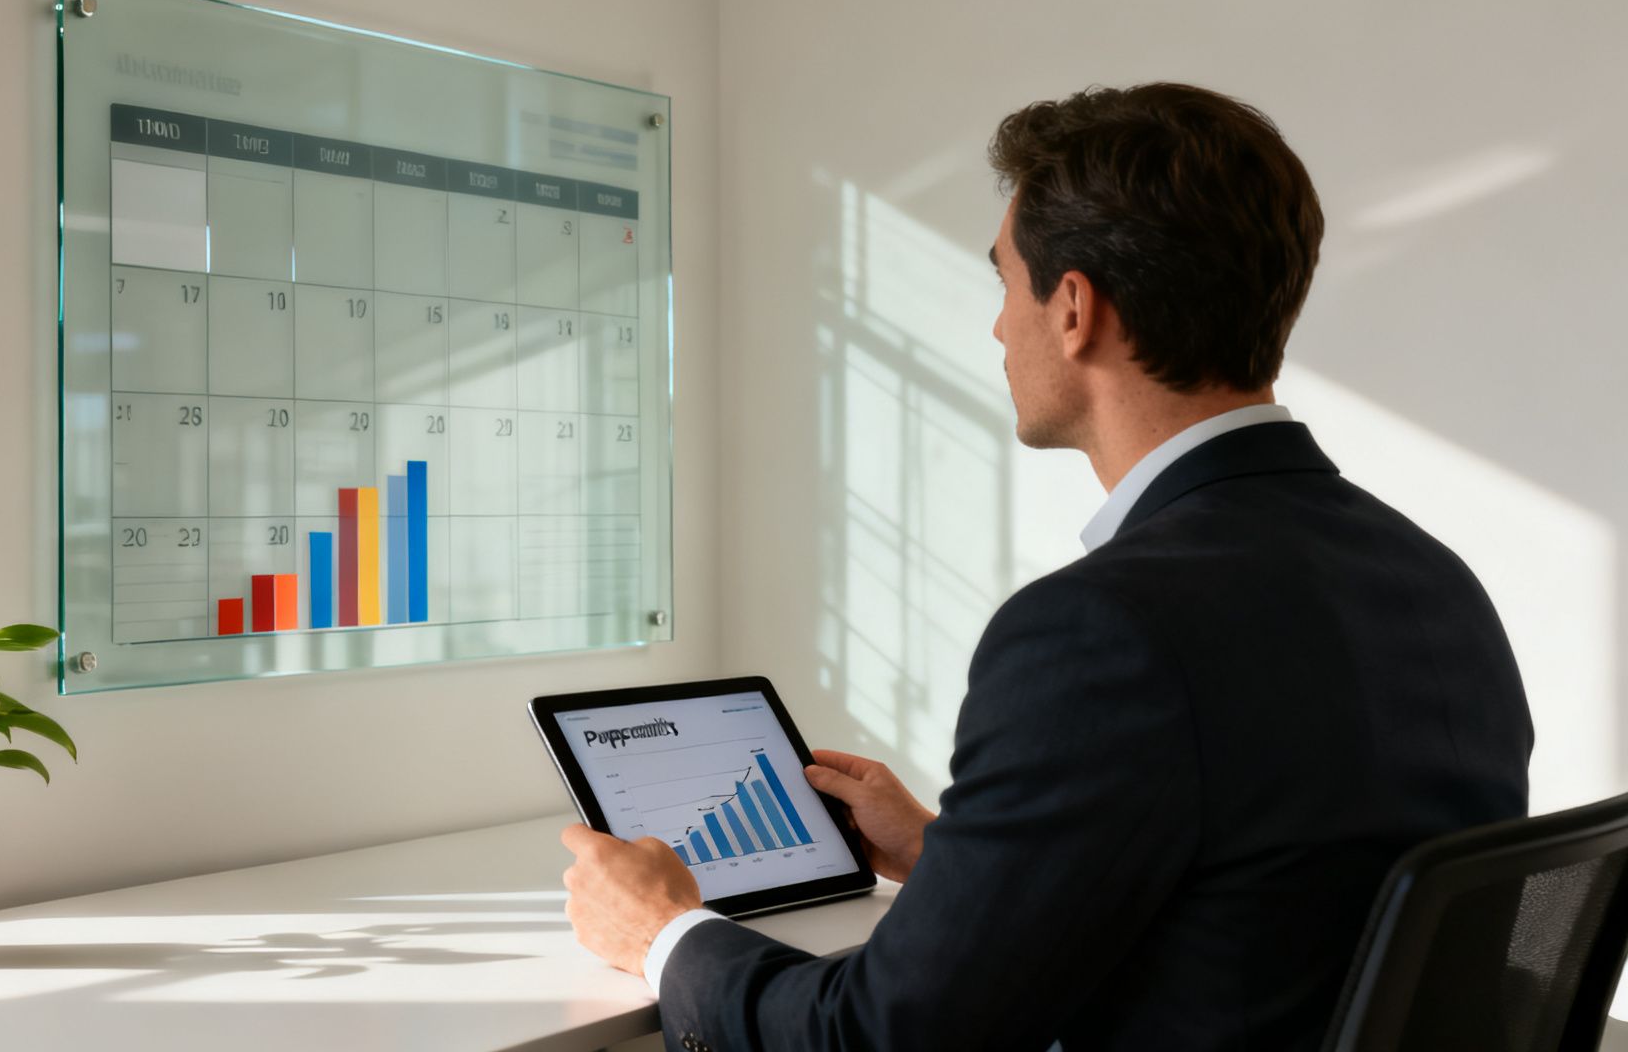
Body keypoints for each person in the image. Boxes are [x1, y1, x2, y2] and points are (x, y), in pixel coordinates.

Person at [559, 82, 1533, 1051]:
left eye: (1001, 283)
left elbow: (876, 1038)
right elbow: (1270, 899)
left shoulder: (1106, 629)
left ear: (1072, 308)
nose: (994, 328)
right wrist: (953, 858)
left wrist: (663, 934)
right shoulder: (1430, 581)